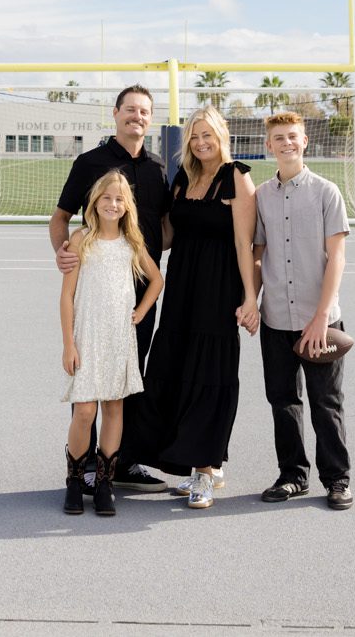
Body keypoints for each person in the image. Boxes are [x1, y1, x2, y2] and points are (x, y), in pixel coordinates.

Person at [129, 105, 258, 509]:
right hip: (182, 286)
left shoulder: (237, 176)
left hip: (218, 290)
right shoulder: (183, 177)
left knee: (209, 373)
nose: (201, 143)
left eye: (208, 135)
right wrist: (122, 230)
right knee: (175, 367)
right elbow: (168, 236)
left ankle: (206, 469)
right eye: (195, 136)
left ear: (221, 136)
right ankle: (185, 461)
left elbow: (244, 244)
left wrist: (250, 297)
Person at [50, 84, 171, 491]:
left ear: (151, 119)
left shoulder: (157, 168)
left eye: (144, 111)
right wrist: (64, 254)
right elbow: (60, 218)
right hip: (96, 291)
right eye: (130, 110)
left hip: (137, 296)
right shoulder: (90, 163)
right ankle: (82, 466)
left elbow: (164, 227)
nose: (137, 117)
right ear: (116, 114)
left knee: (126, 380)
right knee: (87, 381)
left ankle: (120, 463)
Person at [251, 111, 353, 510]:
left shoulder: (327, 192)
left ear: (305, 141)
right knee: (283, 401)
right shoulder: (262, 196)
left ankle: (337, 479)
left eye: (293, 136)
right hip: (276, 317)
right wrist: (251, 300)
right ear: (269, 145)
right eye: (279, 137)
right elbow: (258, 254)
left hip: (320, 319)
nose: (287, 143)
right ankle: (292, 476)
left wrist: (321, 317)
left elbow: (337, 257)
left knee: (326, 403)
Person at [59, 171, 164, 517]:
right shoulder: (81, 240)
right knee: (85, 410)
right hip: (87, 336)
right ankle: (75, 480)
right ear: (95, 202)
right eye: (106, 197)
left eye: (119, 199)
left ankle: (105, 482)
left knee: (114, 409)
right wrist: (68, 344)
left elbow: (156, 280)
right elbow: (67, 296)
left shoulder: (131, 243)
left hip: (119, 336)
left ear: (127, 207)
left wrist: (140, 312)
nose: (112, 204)